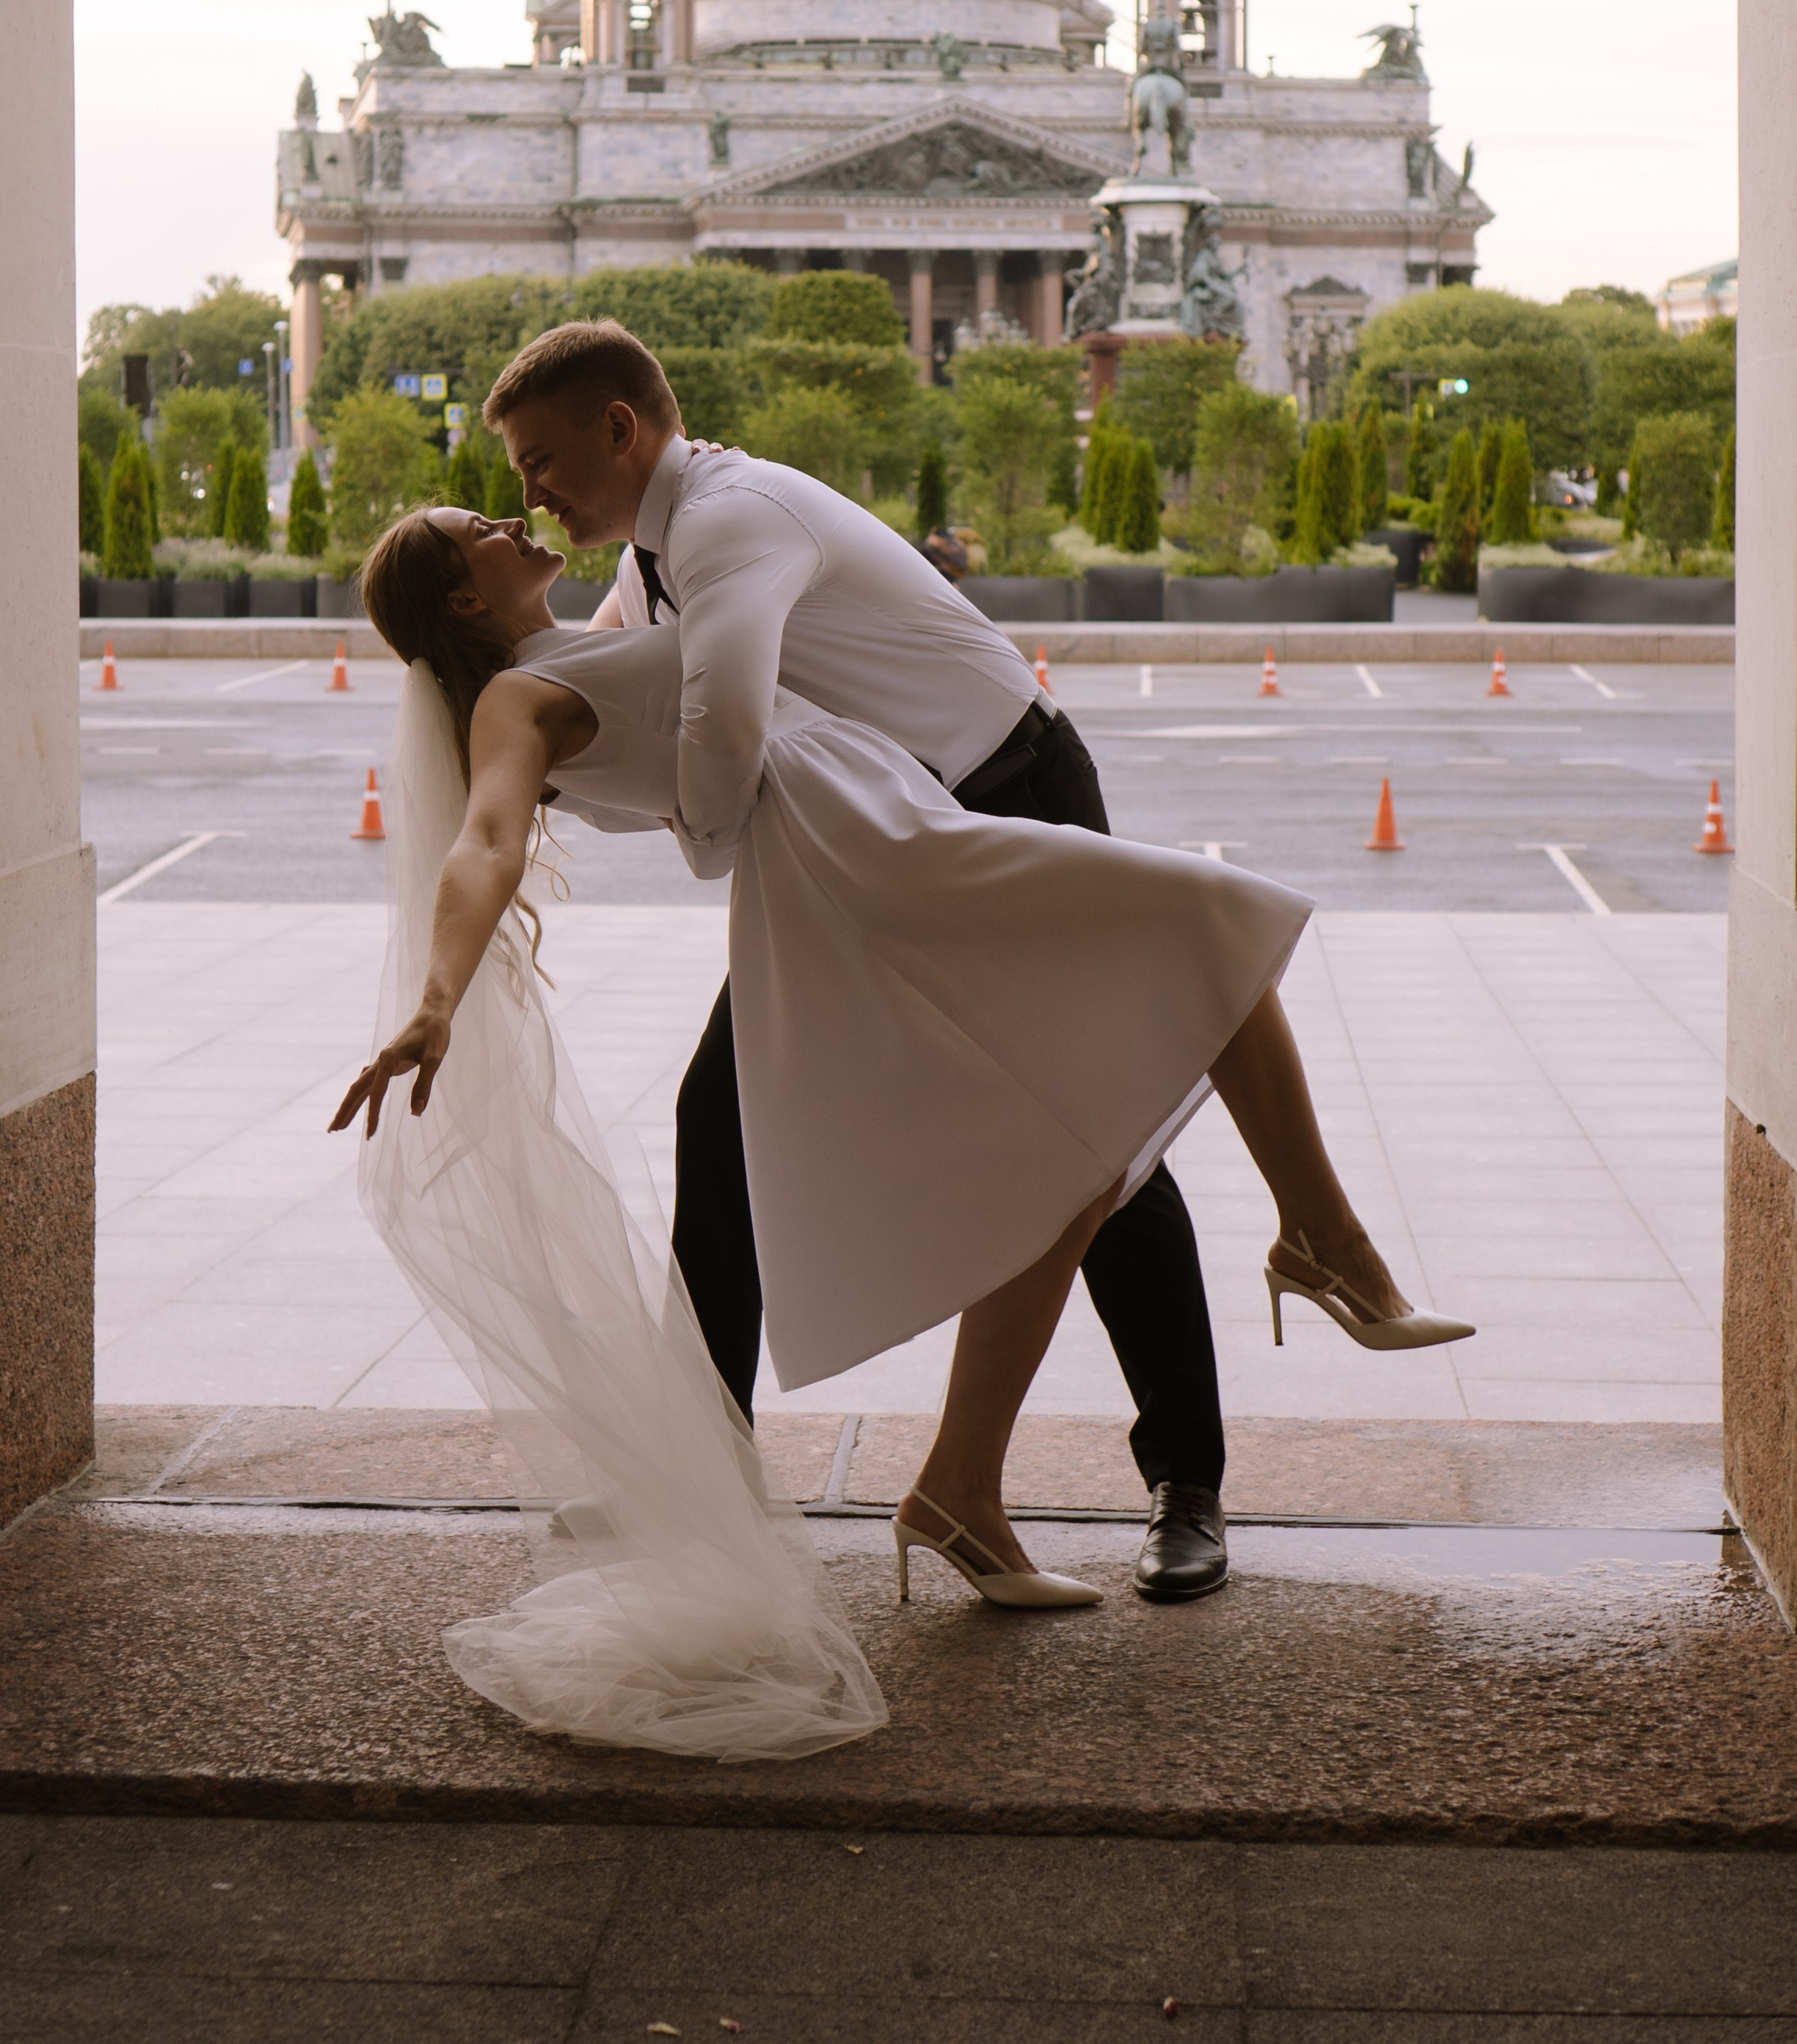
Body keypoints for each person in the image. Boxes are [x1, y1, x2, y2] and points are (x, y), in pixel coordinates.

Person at [337, 497, 1472, 1735]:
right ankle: (1323, 1244)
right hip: (868, 861)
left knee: (1085, 1159)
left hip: (890, 825)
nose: (517, 509)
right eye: (483, 524)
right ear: (461, 601)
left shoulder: (608, 613)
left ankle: (960, 1491)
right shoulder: (519, 701)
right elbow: (488, 837)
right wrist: (439, 993)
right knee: (1207, 926)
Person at [476, 322, 1461, 1606]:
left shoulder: (729, 520)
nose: (530, 493)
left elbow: (718, 742)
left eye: (544, 459)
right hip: (879, 848)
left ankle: (1186, 1483)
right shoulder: (655, 555)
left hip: (1005, 790)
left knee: (1104, 1134)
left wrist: (689, 836)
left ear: (622, 428)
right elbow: (624, 693)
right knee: (717, 1123)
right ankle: (701, 1467)